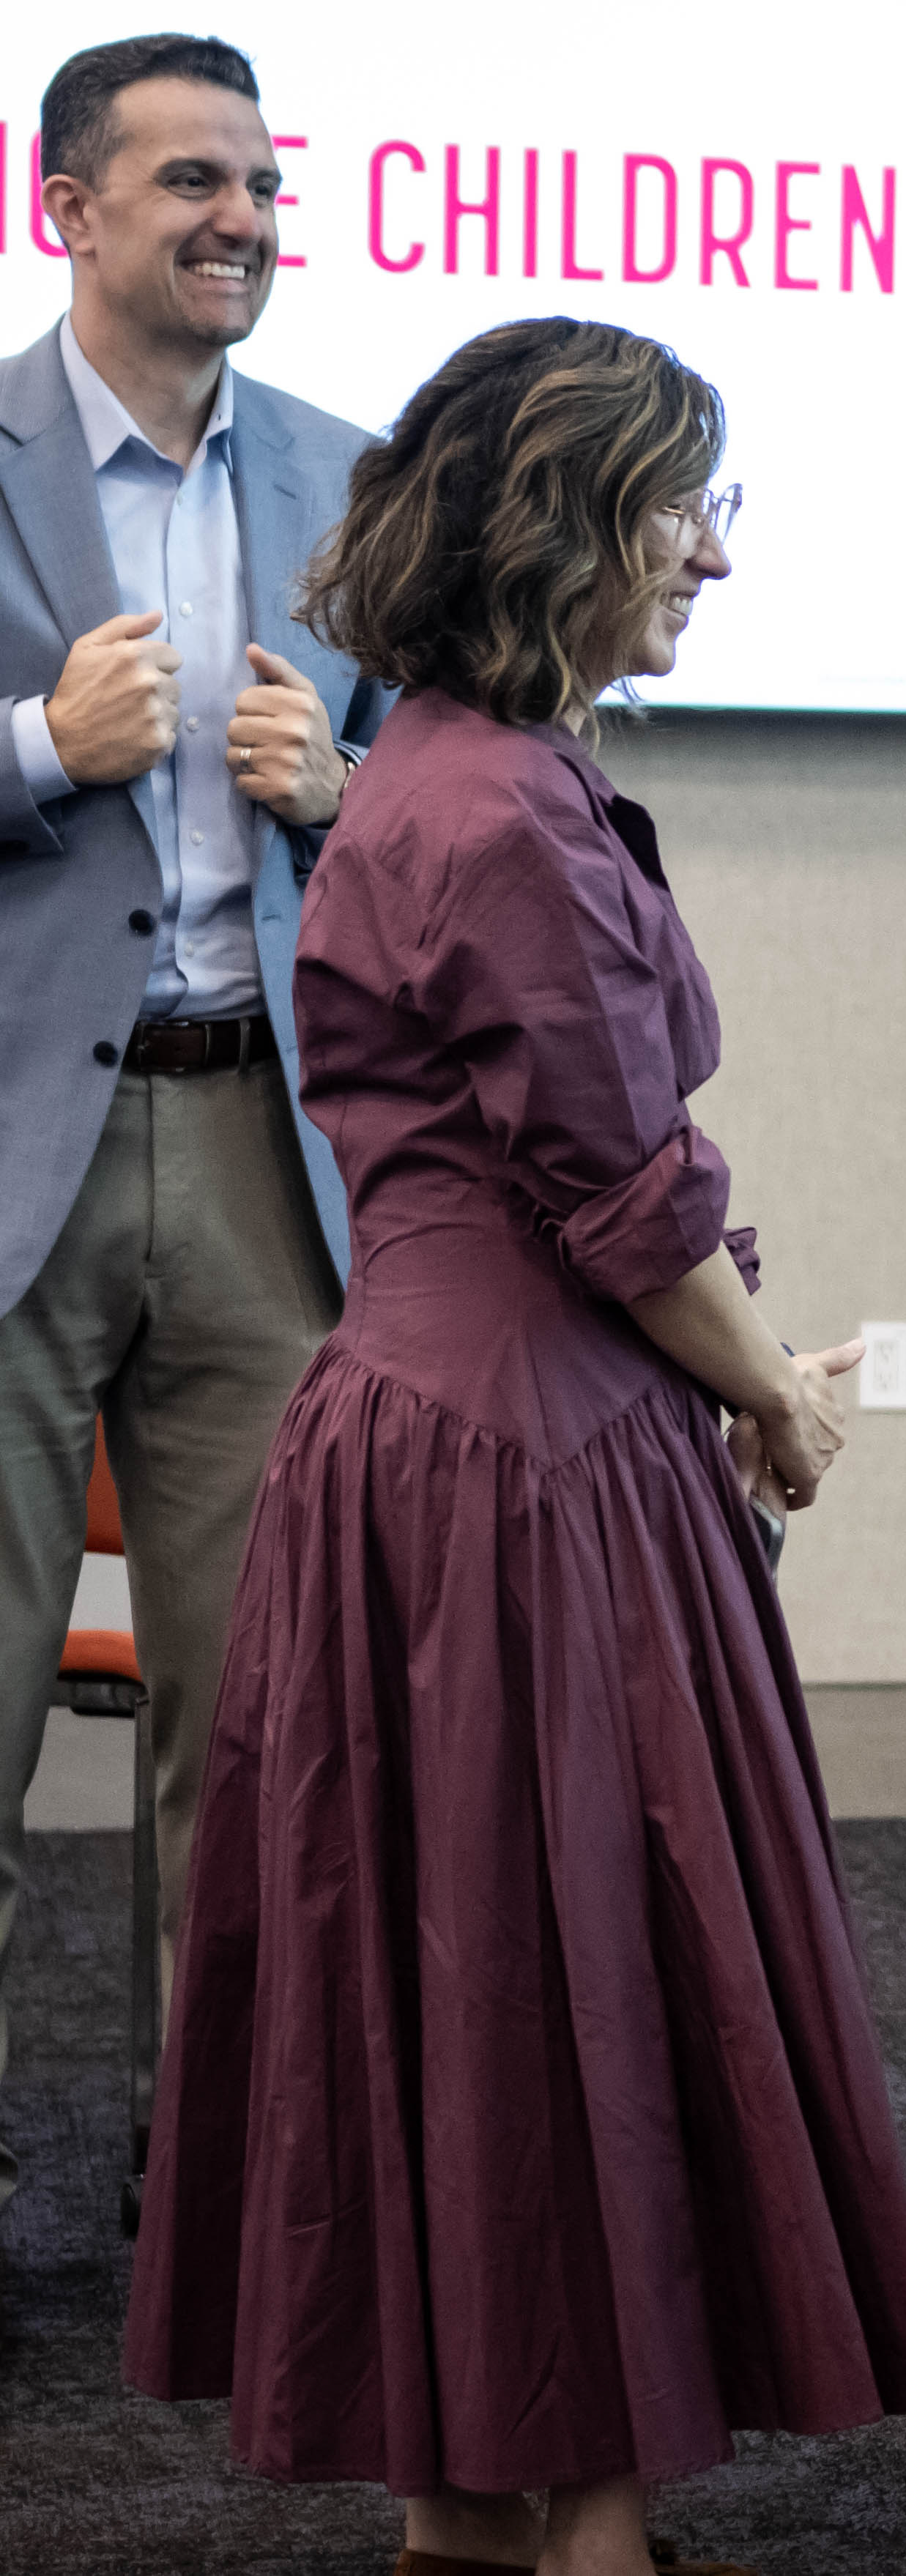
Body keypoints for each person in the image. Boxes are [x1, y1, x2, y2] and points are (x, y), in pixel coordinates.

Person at [123, 318, 906, 2576]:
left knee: (459, 1965)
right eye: (682, 499)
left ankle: (471, 2514)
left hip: (437, 1448)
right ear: (566, 522)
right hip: (525, 1466)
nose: (711, 545)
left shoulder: (446, 772)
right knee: (555, 1974)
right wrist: (776, 1388)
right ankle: (572, 2526)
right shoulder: (492, 797)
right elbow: (619, 1192)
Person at [0, 32, 387, 2210]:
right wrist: (42, 745)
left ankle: (221, 2192)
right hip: (11, 1166)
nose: (242, 214)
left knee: (253, 1733)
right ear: (68, 205)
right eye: (190, 181)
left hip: (269, 1151)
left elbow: (465, 789)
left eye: (259, 178)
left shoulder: (352, 478)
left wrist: (344, 792)